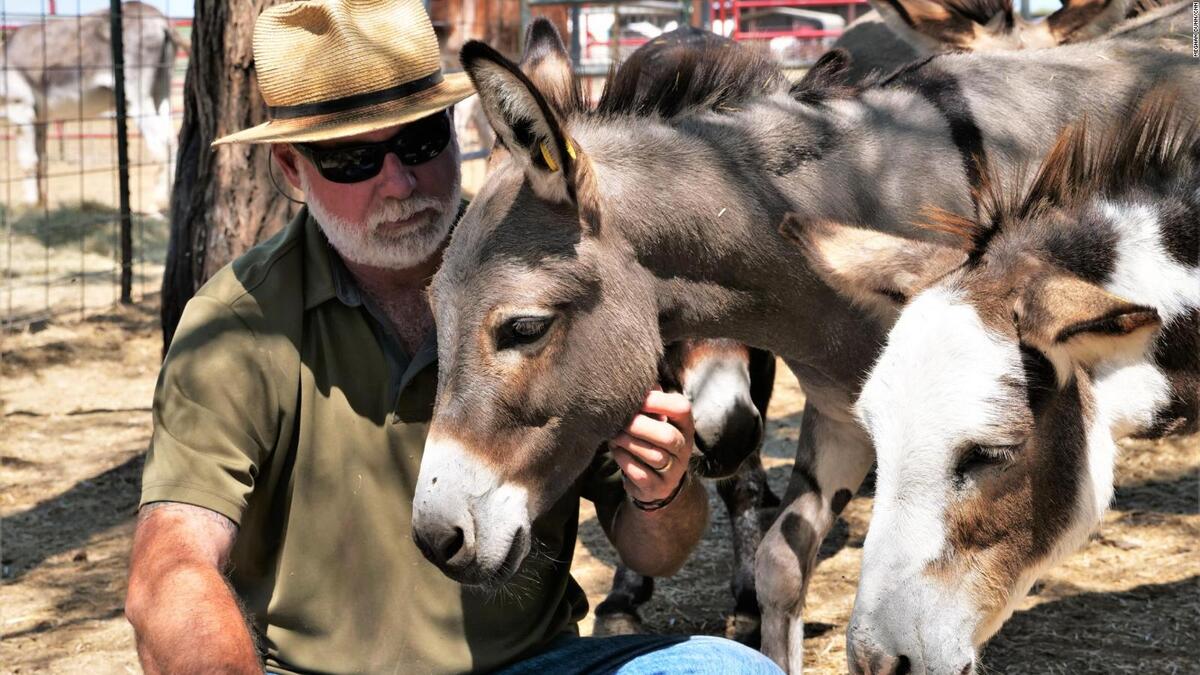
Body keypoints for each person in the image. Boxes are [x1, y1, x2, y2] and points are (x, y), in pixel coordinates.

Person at [123, 1, 783, 673]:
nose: (401, 181)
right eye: (351, 157)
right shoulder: (238, 322)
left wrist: (662, 490)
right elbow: (170, 564)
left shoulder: (548, 272)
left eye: (420, 139)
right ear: (292, 170)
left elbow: (658, 550)